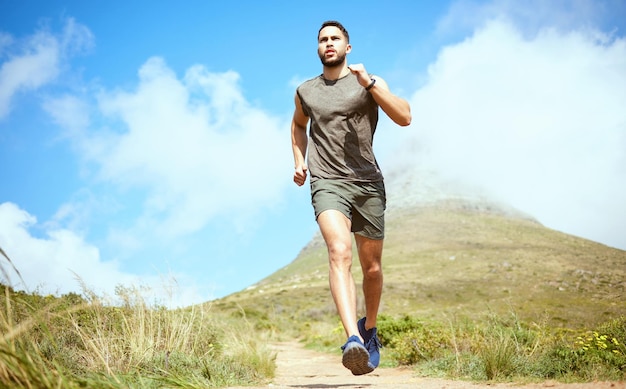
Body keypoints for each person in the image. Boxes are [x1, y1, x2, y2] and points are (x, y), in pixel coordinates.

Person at [291, 20, 411, 375]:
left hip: (368, 183)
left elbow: (405, 117)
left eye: (335, 39)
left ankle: (369, 329)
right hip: (327, 181)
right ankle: (352, 340)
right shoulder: (306, 91)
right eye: (323, 40)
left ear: (348, 47)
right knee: (339, 252)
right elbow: (298, 125)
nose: (329, 43)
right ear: (318, 49)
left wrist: (370, 84)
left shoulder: (368, 81)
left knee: (371, 268)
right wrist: (300, 161)